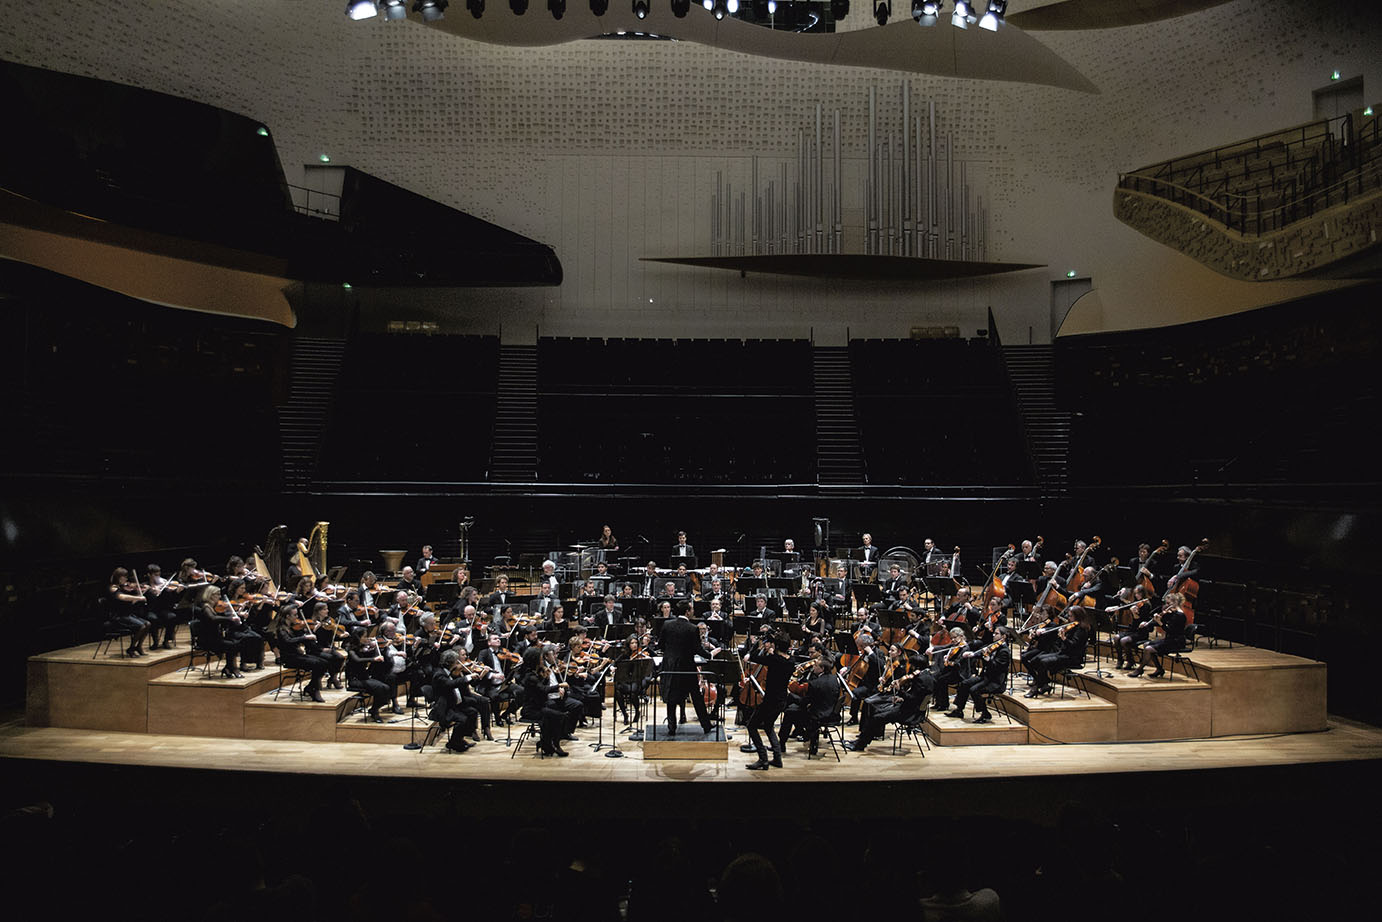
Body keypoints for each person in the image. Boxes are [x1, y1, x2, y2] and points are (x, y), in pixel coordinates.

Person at [659, 603, 716, 737]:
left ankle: (671, 727)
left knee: (671, 697)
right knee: (696, 697)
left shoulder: (667, 625)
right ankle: (706, 725)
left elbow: (661, 645)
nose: (693, 611)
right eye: (691, 609)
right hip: (687, 667)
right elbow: (697, 649)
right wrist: (710, 655)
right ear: (687, 611)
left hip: (670, 666)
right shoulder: (692, 628)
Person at [744, 629, 791, 769]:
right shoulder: (791, 660)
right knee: (768, 725)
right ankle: (777, 758)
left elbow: (753, 656)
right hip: (782, 699)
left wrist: (756, 644)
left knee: (751, 726)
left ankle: (763, 758)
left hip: (771, 700)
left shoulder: (774, 660)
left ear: (776, 646)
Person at [949, 626, 1014, 722]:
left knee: (974, 690)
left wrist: (988, 660)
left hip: (995, 681)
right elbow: (983, 653)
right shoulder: (994, 646)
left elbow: (997, 668)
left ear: (1003, 636)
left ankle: (985, 713)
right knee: (965, 683)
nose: (993, 635)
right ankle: (959, 710)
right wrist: (973, 654)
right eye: (994, 633)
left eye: (996, 634)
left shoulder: (1004, 651)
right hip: (985, 677)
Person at [779, 654, 839, 757]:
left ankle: (781, 744)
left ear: (822, 668)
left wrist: (791, 696)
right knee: (794, 709)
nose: (813, 667)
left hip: (817, 716)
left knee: (789, 712)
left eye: (816, 666)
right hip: (831, 714)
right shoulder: (835, 679)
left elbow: (804, 703)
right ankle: (805, 735)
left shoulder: (815, 684)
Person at [1026, 609, 1090, 697]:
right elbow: (1059, 642)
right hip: (1062, 653)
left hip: (1072, 658)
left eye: (1071, 616)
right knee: (1035, 659)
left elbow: (1073, 646)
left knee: (1042, 661)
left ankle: (1037, 687)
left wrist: (1064, 638)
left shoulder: (1081, 630)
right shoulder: (1071, 626)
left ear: (1077, 616)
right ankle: (1044, 684)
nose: (1068, 618)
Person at [1130, 592, 1189, 678]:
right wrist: (1147, 623)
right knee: (1146, 644)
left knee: (1149, 648)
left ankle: (1140, 669)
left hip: (1177, 641)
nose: (1166, 605)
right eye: (1166, 603)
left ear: (1175, 603)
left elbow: (1171, 631)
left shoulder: (1180, 615)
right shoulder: (1172, 613)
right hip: (1170, 639)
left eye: (1168, 603)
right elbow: (1161, 622)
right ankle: (1159, 669)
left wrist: (1160, 622)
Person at [430, 649, 479, 753]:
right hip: (443, 708)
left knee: (472, 712)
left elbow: (458, 682)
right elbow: (450, 684)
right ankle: (455, 743)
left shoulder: (450, 672)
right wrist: (468, 677)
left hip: (453, 704)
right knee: (462, 719)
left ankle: (457, 740)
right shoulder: (439, 674)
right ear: (450, 663)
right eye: (457, 662)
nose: (459, 664)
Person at [105, 567, 152, 656]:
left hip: (127, 614)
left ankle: (139, 646)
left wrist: (142, 592)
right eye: (124, 577)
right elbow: (122, 597)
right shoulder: (112, 588)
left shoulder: (123, 587)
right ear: (119, 577)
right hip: (118, 617)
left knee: (148, 624)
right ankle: (131, 648)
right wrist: (138, 597)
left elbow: (130, 601)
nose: (126, 579)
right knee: (141, 626)